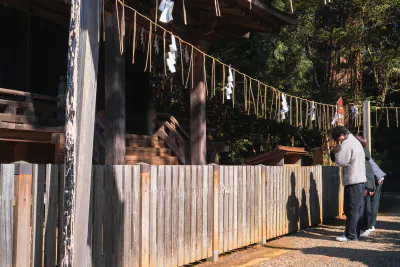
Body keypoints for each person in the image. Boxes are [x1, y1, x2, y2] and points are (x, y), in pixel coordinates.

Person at [330, 126, 366, 241]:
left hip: (353, 180)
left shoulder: (347, 143)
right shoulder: (355, 141)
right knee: (357, 209)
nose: (338, 141)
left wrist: (336, 152)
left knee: (351, 209)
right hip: (360, 179)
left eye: (337, 139)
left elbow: (341, 161)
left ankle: (350, 235)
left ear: (341, 135)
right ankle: (355, 234)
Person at [355, 136, 376, 237]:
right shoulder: (366, 156)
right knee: (366, 207)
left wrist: (367, 187)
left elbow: (367, 173)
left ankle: (363, 228)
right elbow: (370, 173)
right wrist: (371, 187)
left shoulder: (361, 156)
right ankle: (366, 227)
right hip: (367, 184)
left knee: (362, 208)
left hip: (364, 185)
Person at [369, 158, 386, 231]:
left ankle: (371, 225)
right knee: (374, 202)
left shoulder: (362, 154)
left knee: (373, 202)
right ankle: (371, 224)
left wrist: (371, 186)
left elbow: (369, 171)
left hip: (376, 178)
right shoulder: (364, 152)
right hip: (378, 176)